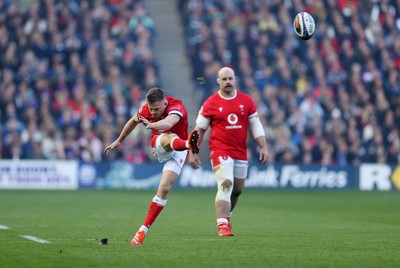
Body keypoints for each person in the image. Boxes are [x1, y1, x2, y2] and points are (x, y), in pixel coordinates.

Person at [104, 87, 200, 245]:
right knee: (170, 136)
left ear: (165, 103)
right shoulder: (146, 110)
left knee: (164, 189)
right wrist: (119, 140)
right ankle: (188, 143)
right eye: (151, 109)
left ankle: (141, 231)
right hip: (159, 144)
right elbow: (133, 121)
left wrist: (151, 125)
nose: (153, 112)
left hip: (180, 150)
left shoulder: (177, 107)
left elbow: (169, 122)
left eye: (156, 109)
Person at [189, 67, 269, 236]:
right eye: (224, 79)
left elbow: (255, 124)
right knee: (226, 183)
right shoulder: (210, 103)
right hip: (220, 150)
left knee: (237, 190)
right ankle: (222, 224)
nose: (227, 82)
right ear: (218, 81)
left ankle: (227, 216)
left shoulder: (246, 101)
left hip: (240, 151)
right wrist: (192, 151)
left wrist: (263, 146)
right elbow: (199, 130)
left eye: (230, 79)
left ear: (235, 79)